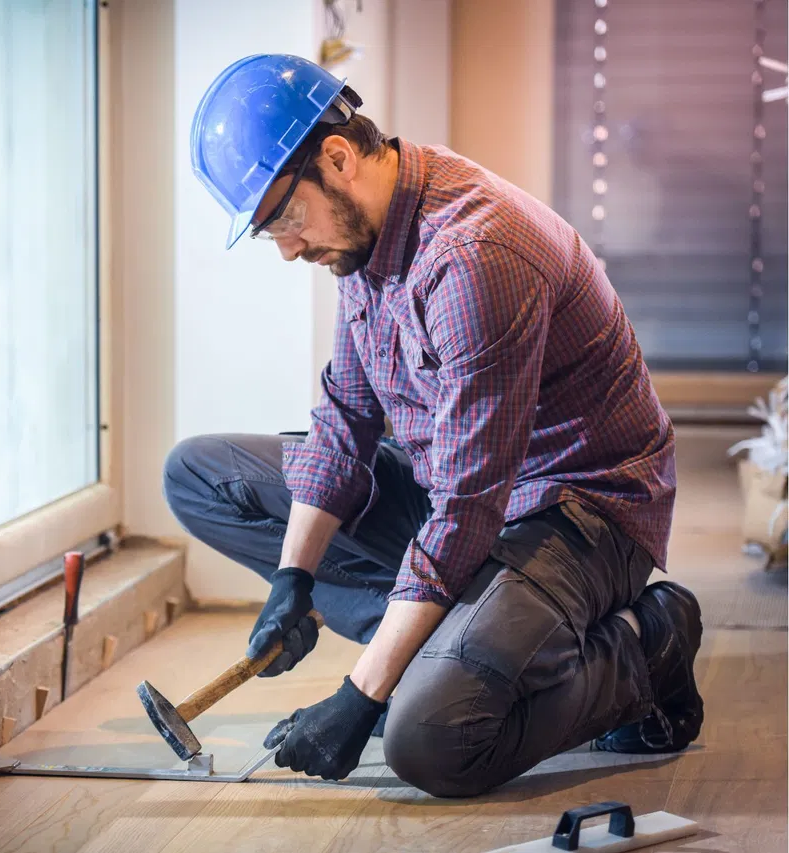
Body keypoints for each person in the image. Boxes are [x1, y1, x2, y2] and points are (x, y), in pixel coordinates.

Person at [164, 54, 702, 797]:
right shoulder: (361, 241)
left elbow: (468, 505)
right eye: (268, 234)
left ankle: (651, 645)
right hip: (460, 488)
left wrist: (362, 694)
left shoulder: (474, 256)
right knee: (199, 474)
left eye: (285, 218)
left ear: (339, 157)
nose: (288, 249)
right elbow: (348, 415)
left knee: (430, 740)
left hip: (578, 509)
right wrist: (293, 577)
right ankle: (449, 639)